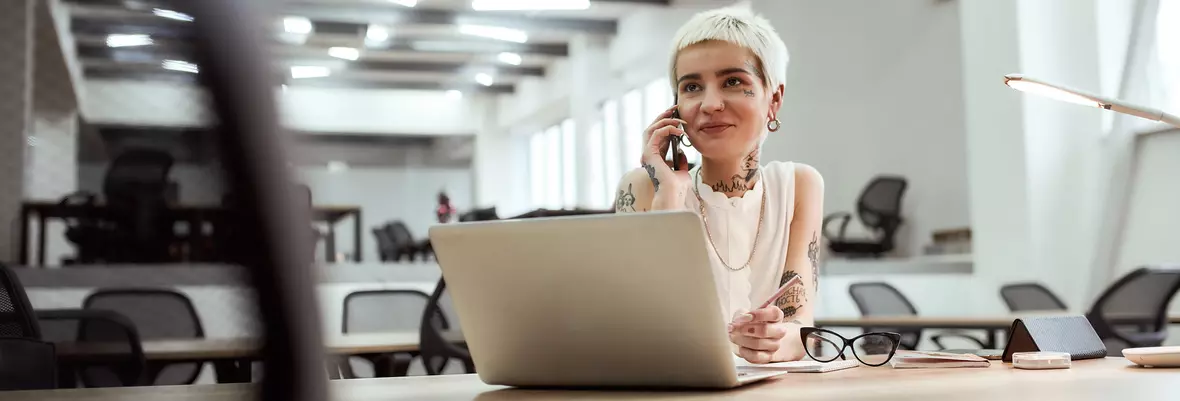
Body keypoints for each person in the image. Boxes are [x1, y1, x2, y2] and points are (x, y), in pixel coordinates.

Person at [612, 7, 823, 364]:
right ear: (676, 107)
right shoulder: (644, 187)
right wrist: (670, 195)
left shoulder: (798, 185)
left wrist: (774, 340)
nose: (710, 104)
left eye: (733, 81)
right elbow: (638, 325)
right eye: (692, 87)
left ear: (774, 100)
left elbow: (799, 326)